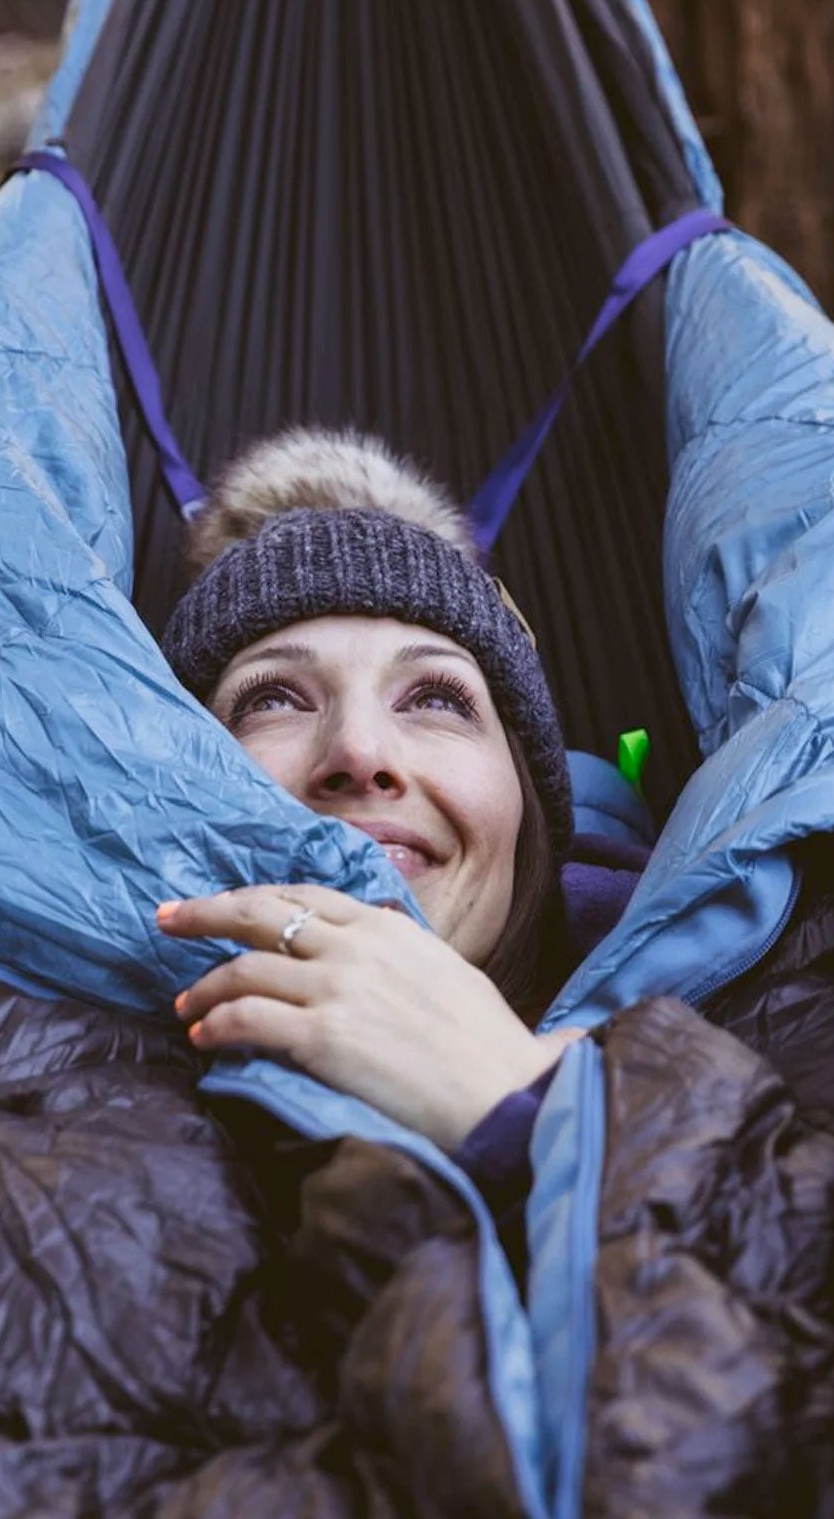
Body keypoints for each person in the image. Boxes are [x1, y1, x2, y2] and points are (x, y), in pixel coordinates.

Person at [152, 426, 591, 1169]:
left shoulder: (735, 1037)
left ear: (528, 804)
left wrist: (528, 1113)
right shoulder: (25, 1058)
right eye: (273, 700)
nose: (359, 753)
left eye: (437, 699)